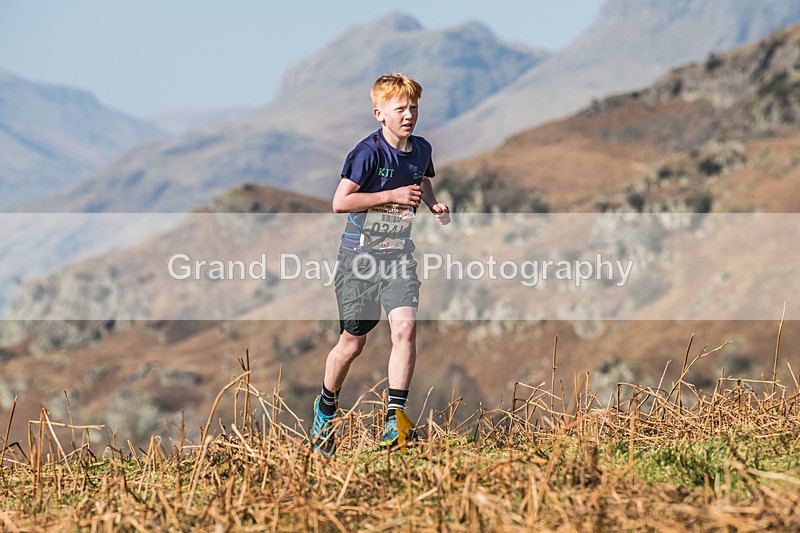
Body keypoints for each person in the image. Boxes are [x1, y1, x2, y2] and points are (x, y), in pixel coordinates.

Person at [311, 73, 450, 455]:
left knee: (404, 328)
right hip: (359, 260)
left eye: (414, 108)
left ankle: (395, 421)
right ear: (379, 114)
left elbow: (422, 181)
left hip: (398, 256)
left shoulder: (422, 149)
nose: (409, 115)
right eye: (400, 108)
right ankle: (325, 407)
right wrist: (390, 194)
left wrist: (433, 203)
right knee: (352, 343)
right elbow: (340, 202)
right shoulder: (367, 153)